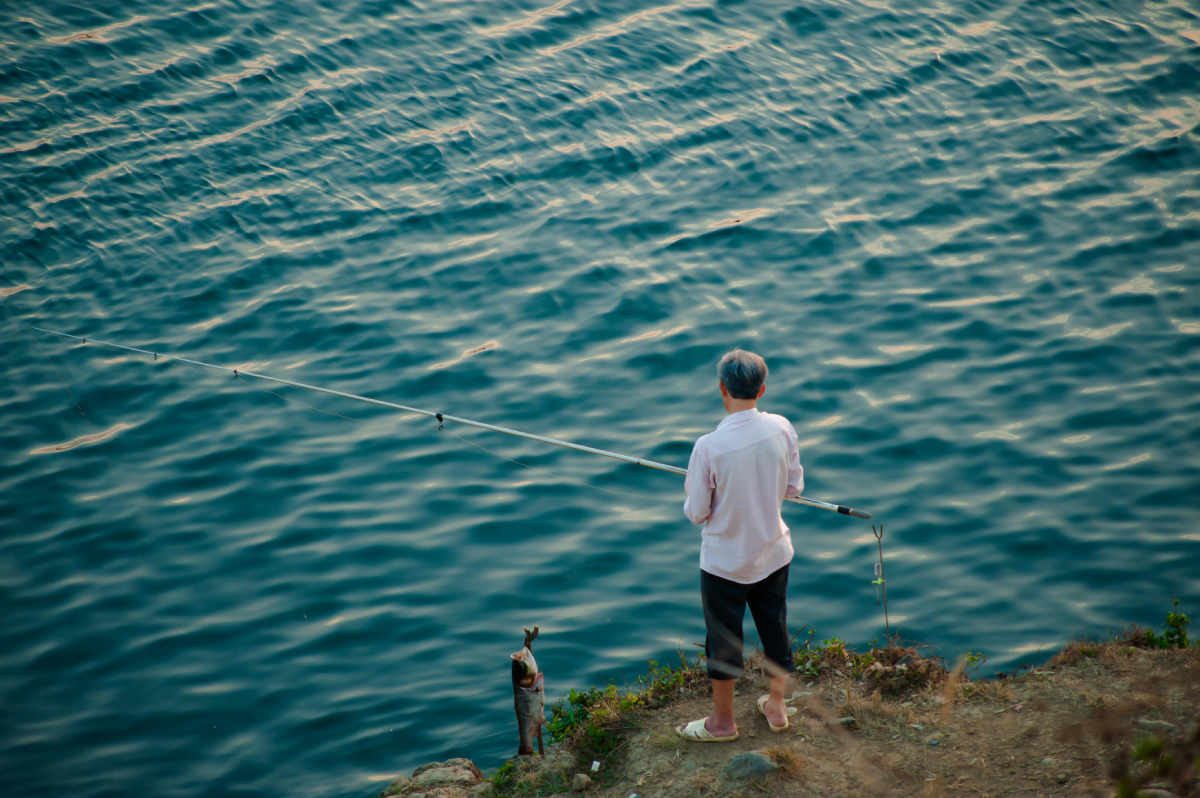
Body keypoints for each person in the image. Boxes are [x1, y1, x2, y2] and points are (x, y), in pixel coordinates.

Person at [675, 349, 804, 742]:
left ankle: (722, 723)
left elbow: (697, 512)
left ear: (722, 389)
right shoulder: (783, 427)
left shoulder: (708, 447)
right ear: (761, 389)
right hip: (775, 554)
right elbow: (795, 488)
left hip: (725, 565)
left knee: (724, 640)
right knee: (775, 629)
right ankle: (777, 708)